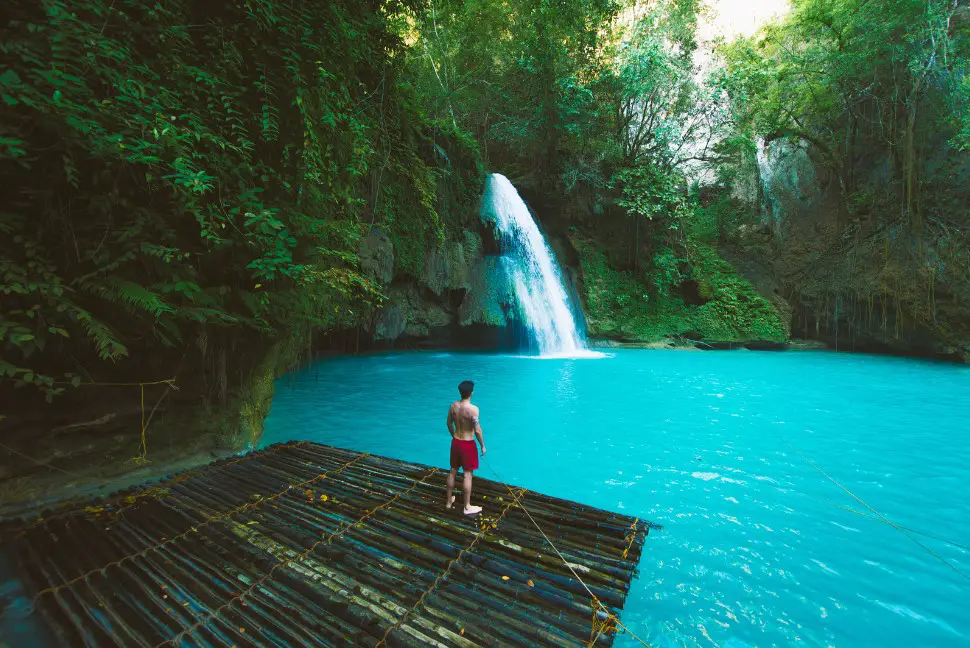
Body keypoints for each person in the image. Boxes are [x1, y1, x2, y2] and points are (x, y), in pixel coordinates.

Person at [445, 379, 486, 514]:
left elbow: (449, 424)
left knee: (453, 470)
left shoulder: (453, 406)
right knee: (467, 475)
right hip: (468, 444)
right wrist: (482, 446)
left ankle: (449, 501)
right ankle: (467, 506)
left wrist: (453, 436)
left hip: (456, 442)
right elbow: (478, 430)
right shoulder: (474, 410)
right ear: (471, 393)